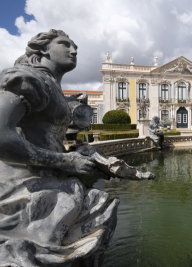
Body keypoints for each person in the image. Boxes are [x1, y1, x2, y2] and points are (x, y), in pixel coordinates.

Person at [0, 29, 118, 266]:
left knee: (98, 201)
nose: (73, 50)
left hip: (45, 180)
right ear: (43, 49)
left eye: (75, 46)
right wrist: (65, 162)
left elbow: (44, 140)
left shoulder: (52, 86)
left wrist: (77, 156)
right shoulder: (27, 78)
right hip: (23, 187)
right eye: (65, 44)